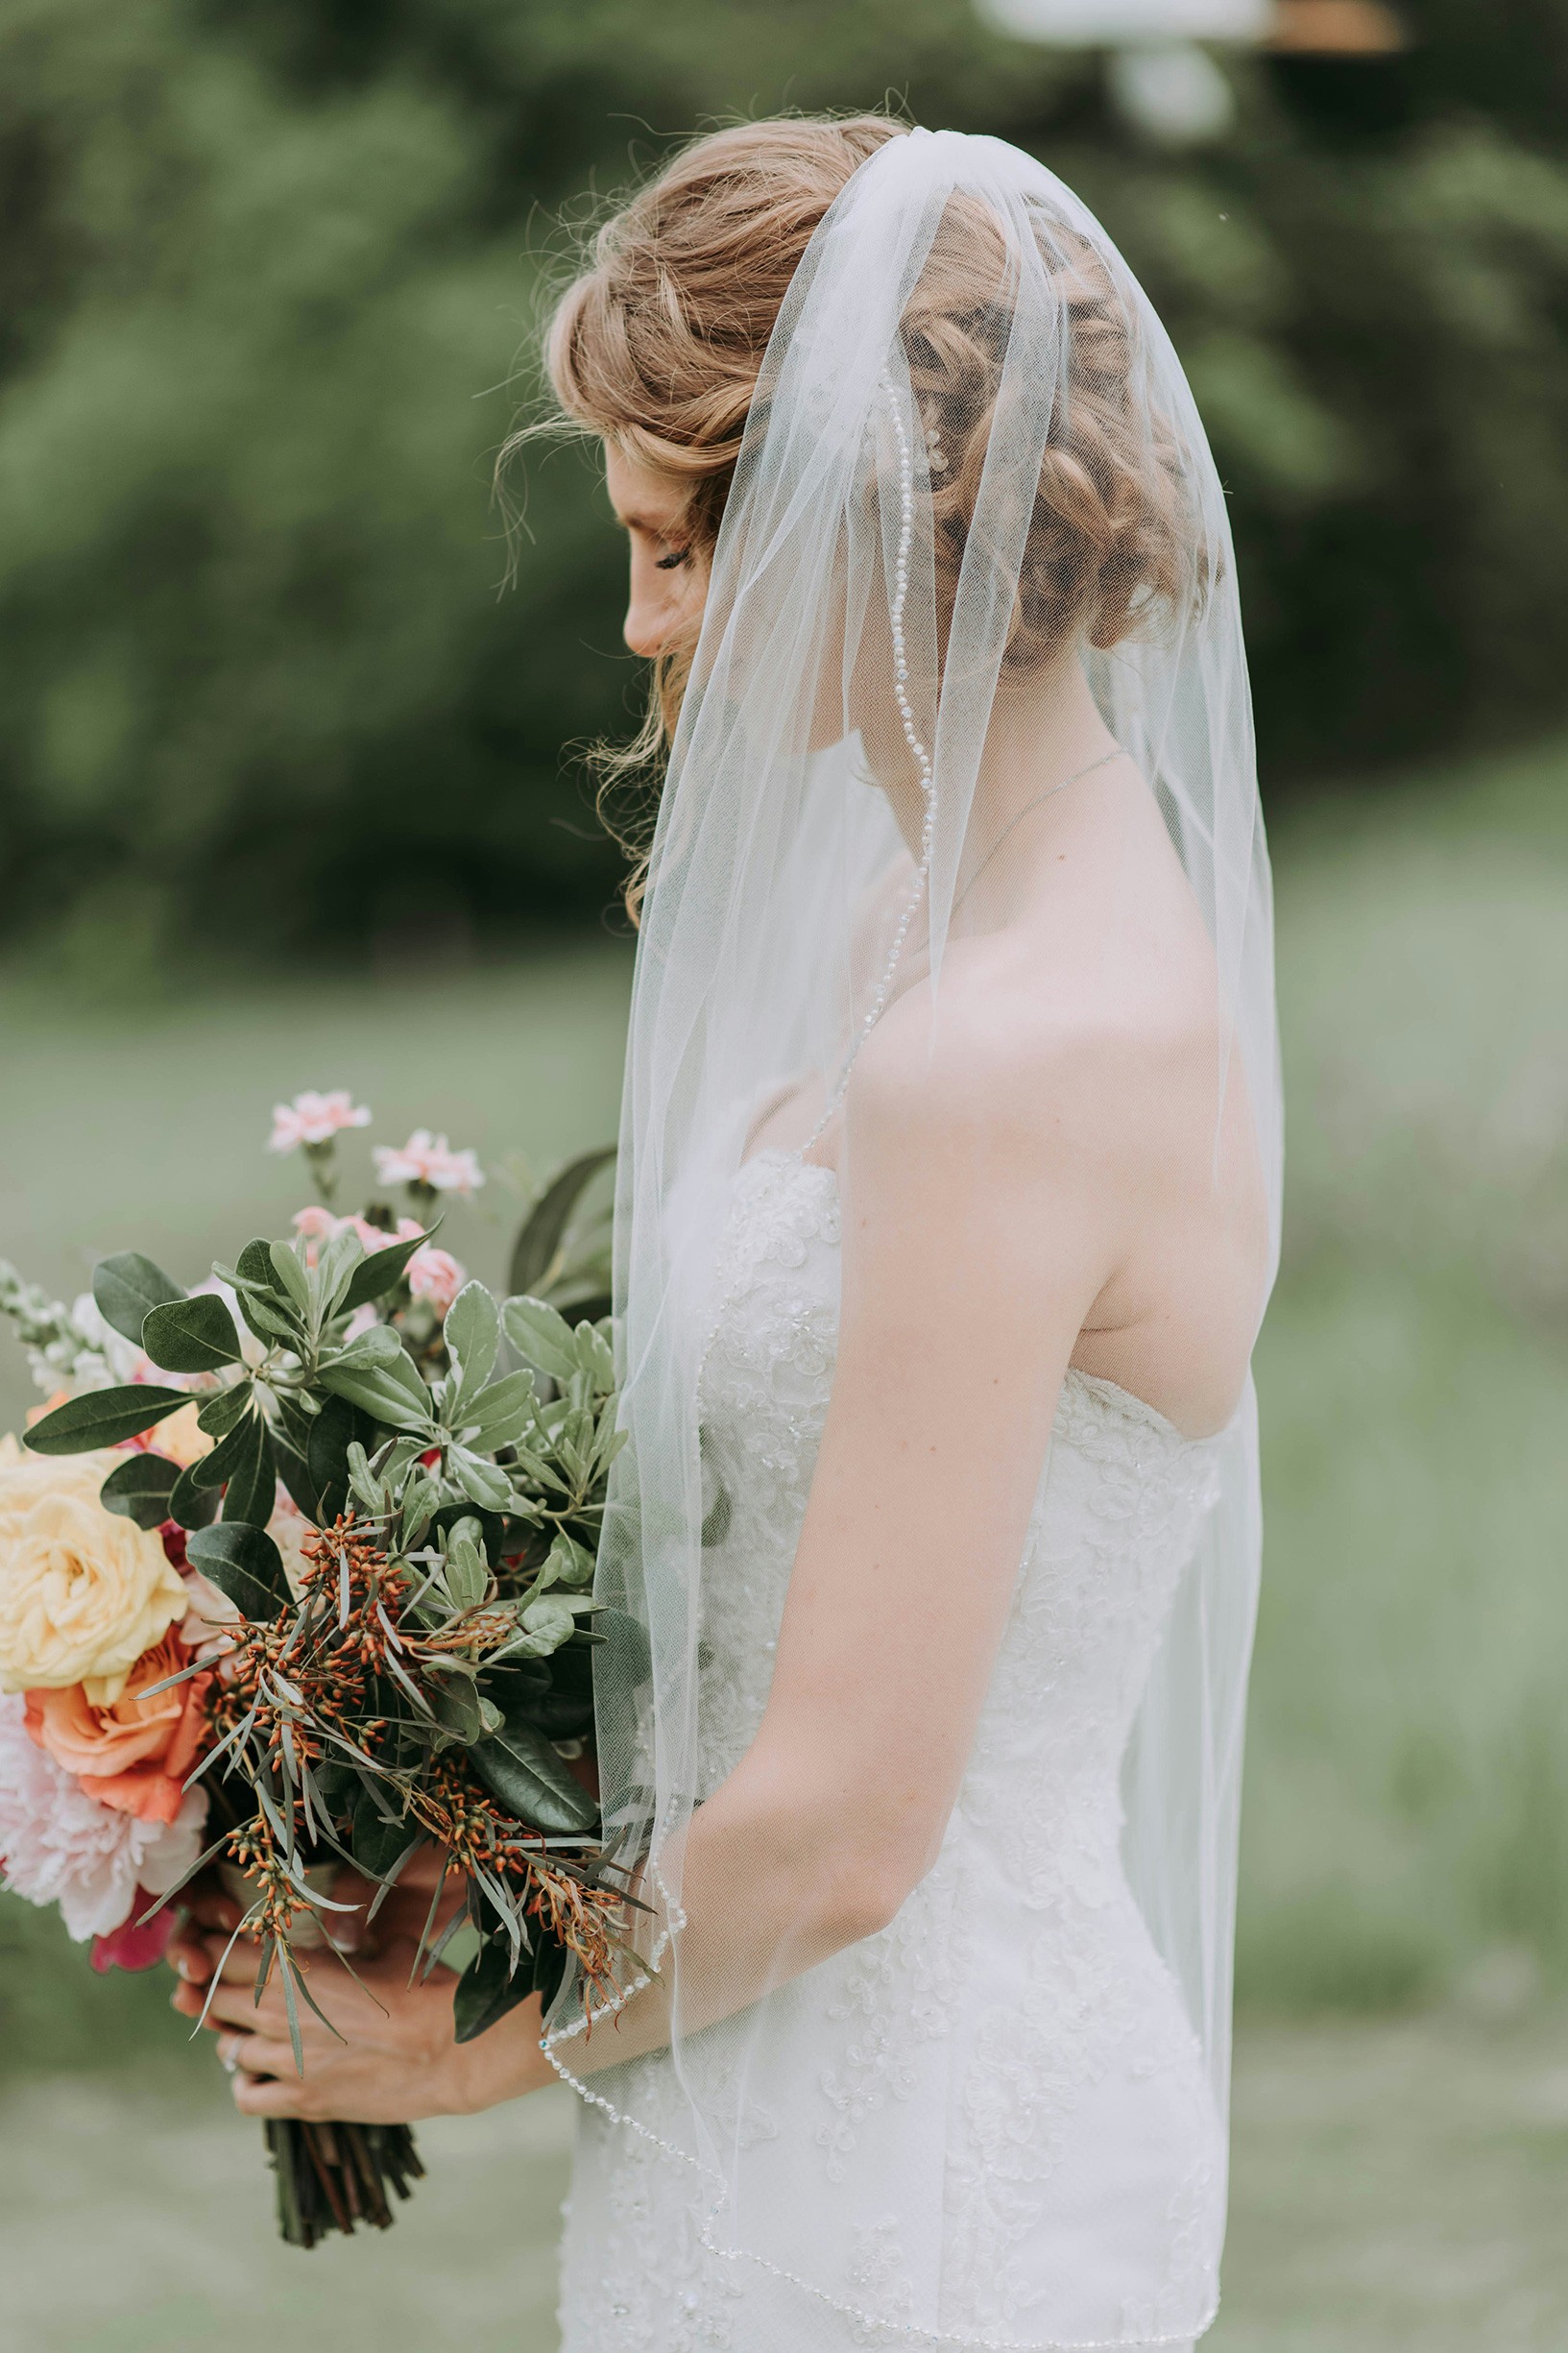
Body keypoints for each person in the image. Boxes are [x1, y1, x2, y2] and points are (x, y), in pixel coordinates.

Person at [170, 116, 1280, 2351]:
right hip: (753, 2087)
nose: (640, 618)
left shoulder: (1008, 1049)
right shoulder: (921, 921)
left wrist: (457, 2053)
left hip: (917, 2159)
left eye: (676, 548)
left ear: (864, 519)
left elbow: (855, 1822)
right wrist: (401, 1764)